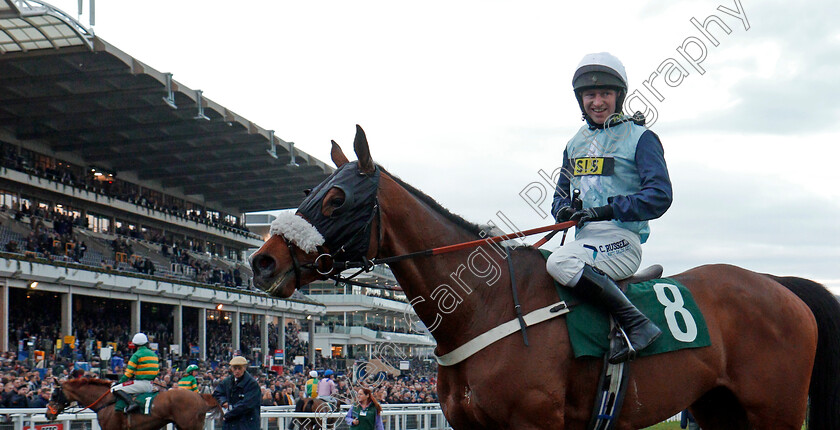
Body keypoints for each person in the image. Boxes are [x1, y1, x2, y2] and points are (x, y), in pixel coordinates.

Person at [546, 52, 673, 364]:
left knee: (558, 263)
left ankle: (637, 324)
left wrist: (605, 211)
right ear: (581, 99)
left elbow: (660, 195)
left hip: (621, 241)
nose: (597, 102)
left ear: (619, 96)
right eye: (590, 95)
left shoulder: (641, 138)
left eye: (605, 93)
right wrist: (563, 210)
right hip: (585, 243)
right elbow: (560, 195)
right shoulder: (574, 144)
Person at [111, 332, 159, 413]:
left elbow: (128, 373)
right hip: (150, 385)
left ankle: (131, 404)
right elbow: (156, 371)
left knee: (114, 389)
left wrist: (120, 382)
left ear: (135, 344)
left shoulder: (136, 355)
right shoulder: (153, 354)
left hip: (140, 384)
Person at [212, 356, 260, 430]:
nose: (237, 371)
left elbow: (247, 404)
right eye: (235, 368)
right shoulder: (227, 381)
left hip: (247, 424)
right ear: (231, 368)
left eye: (239, 368)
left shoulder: (252, 384)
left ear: (244, 368)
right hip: (230, 423)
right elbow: (217, 393)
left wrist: (229, 414)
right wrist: (223, 402)